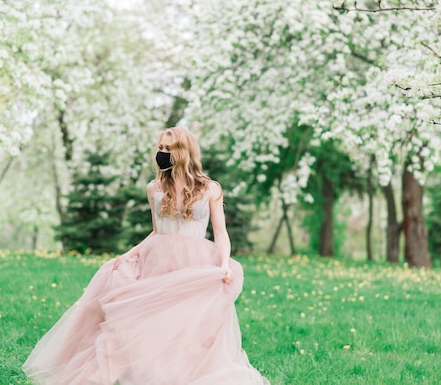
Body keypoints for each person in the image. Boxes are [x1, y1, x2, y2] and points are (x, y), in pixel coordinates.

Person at [22, 127, 269, 385]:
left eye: (169, 149)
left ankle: (182, 374)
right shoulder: (155, 188)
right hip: (158, 259)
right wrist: (129, 253)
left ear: (184, 152)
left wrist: (223, 264)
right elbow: (156, 231)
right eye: (160, 148)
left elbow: (221, 233)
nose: (162, 153)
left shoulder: (210, 189)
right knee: (148, 320)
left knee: (186, 326)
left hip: (194, 262)